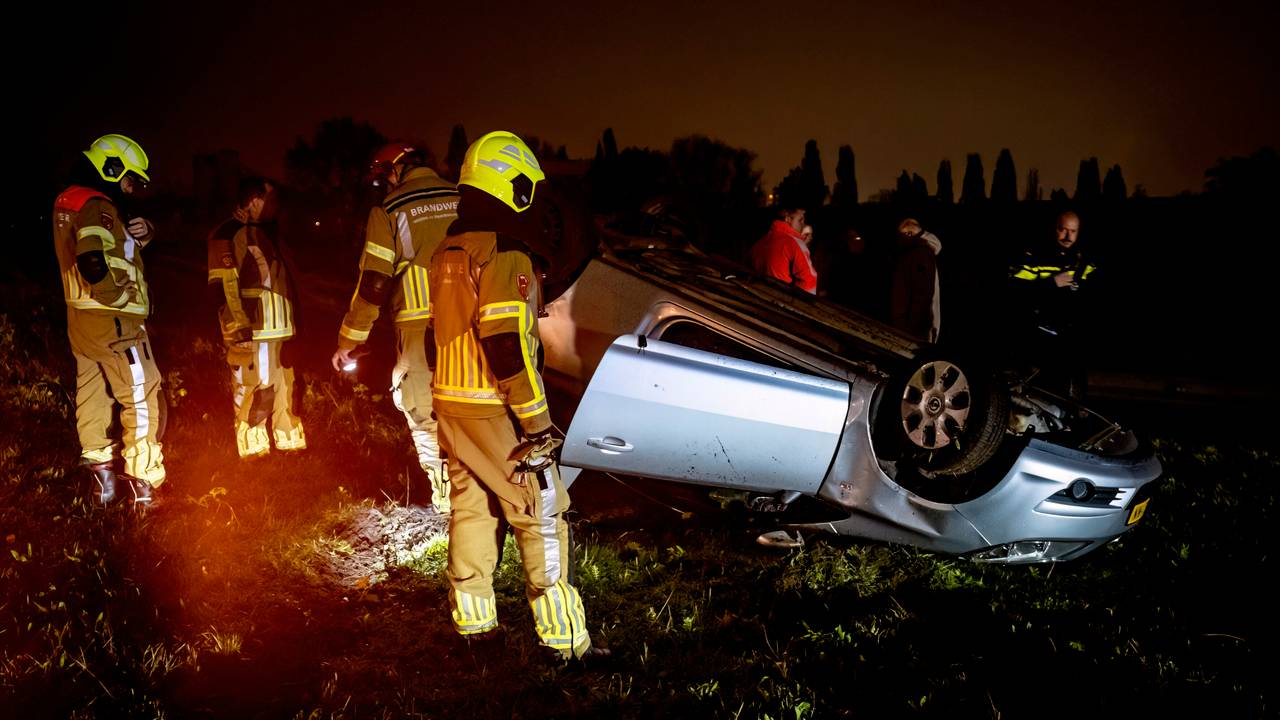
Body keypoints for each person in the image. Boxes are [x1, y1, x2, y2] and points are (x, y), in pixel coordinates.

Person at [429, 130, 606, 662]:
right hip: (494, 408)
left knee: (473, 510)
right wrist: (536, 425)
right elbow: (505, 344)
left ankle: (475, 627)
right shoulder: (505, 253)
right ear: (512, 185)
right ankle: (564, 642)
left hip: (451, 405)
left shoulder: (449, 248)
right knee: (542, 510)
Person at [331, 143, 459, 513]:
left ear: (394, 170)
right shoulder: (463, 196)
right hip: (471, 326)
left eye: (383, 177)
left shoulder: (389, 209)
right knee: (472, 410)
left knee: (425, 414)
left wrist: (350, 340)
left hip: (419, 330)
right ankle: (485, 498)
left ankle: (449, 504)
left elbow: (374, 281)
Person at [52, 134, 165, 507]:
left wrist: (145, 233)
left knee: (94, 395)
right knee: (142, 396)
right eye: (130, 179)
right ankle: (143, 488)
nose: (132, 189)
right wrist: (117, 300)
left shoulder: (75, 199)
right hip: (115, 322)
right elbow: (93, 258)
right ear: (111, 168)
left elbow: (112, 245)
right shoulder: (98, 204)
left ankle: (102, 486)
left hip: (83, 321)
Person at [207, 178, 306, 458]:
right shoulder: (228, 233)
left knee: (288, 392)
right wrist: (238, 332)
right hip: (254, 334)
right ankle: (254, 454)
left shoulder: (269, 233)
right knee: (256, 394)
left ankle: (291, 447)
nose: (276, 207)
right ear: (253, 200)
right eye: (270, 201)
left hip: (282, 332)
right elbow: (224, 287)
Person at [1008, 211, 1096, 397]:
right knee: (1038, 387)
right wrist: (1052, 283)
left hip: (1072, 335)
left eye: (1073, 231)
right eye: (1063, 229)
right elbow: (1016, 291)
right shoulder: (1035, 255)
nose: (1067, 236)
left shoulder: (1084, 259)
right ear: (1054, 228)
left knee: (1072, 387)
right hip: (1039, 333)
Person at [889, 218, 942, 343]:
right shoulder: (921, 253)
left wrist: (907, 324)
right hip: (916, 324)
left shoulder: (919, 254)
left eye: (900, 235)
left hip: (913, 328)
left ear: (909, 234)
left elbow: (923, 293)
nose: (898, 240)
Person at [748, 205, 817, 294]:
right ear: (788, 219)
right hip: (782, 302)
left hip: (759, 300)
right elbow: (809, 281)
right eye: (800, 220)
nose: (803, 224)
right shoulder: (795, 244)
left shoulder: (760, 242)